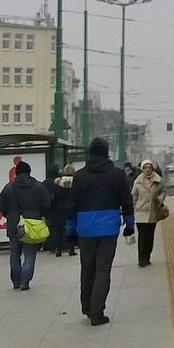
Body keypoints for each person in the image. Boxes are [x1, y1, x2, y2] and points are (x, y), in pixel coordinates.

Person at [68, 138, 134, 325]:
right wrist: (129, 225)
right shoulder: (117, 175)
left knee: (87, 268)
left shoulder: (79, 176)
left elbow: (71, 205)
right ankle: (97, 312)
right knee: (103, 269)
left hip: (85, 228)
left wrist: (71, 230)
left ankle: (87, 306)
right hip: (108, 228)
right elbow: (126, 202)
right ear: (106, 153)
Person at [0, 159, 51, 291]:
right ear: (29, 172)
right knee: (30, 255)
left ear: (16, 173)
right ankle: (25, 282)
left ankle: (16, 281)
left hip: (14, 225)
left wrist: (10, 215)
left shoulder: (8, 187)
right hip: (32, 225)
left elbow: (1, 207)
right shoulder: (38, 186)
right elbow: (47, 204)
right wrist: (39, 214)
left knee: (15, 255)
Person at [131, 159, 169, 267]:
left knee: (150, 236)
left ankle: (147, 256)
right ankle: (141, 259)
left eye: (149, 168)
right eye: (145, 168)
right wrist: (131, 209)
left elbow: (163, 191)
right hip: (140, 212)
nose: (147, 170)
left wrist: (160, 199)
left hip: (153, 212)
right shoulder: (137, 182)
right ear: (142, 169)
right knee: (142, 236)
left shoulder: (158, 180)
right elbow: (133, 196)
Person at [46, 164, 77, 257]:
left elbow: (54, 197)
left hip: (59, 209)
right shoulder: (76, 182)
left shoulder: (58, 182)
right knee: (71, 229)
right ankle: (71, 248)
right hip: (71, 208)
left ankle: (58, 250)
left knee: (58, 230)